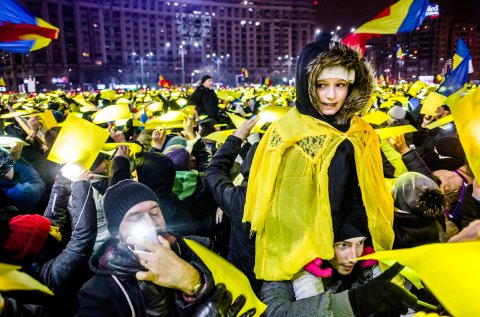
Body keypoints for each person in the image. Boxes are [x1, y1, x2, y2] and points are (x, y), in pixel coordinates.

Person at [243, 35, 394, 281]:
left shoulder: (362, 132)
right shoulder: (285, 131)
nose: (331, 96)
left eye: (340, 85)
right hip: (298, 250)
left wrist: (361, 236)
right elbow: (266, 194)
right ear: (305, 83)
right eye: (321, 85)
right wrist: (303, 247)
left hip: (350, 246)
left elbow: (367, 191)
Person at [76, 179, 255, 317]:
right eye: (135, 218)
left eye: (155, 212)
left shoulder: (196, 246)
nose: (150, 223)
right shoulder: (98, 292)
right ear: (116, 233)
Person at [260, 209, 417, 316]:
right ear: (325, 244)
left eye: (359, 243)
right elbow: (273, 312)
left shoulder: (371, 265)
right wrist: (353, 302)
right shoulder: (289, 267)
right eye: (343, 245)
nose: (354, 256)